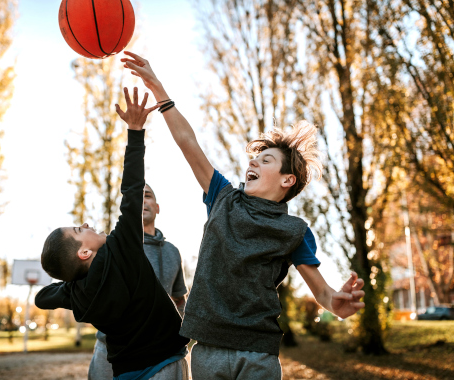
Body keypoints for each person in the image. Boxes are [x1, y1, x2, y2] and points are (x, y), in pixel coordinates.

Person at [121, 51, 366, 380]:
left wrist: (336, 303)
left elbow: (321, 292)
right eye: (255, 158)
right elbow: (187, 142)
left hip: (257, 353)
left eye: (266, 161)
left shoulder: (294, 230)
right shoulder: (223, 197)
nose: (253, 163)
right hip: (206, 348)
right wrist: (158, 88)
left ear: (286, 180)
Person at [35, 87, 190, 380]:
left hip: (124, 371)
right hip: (163, 363)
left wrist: (69, 285)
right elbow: (132, 187)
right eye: (81, 230)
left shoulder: (79, 294)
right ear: (84, 252)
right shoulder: (123, 249)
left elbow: (42, 298)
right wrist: (135, 130)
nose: (88, 225)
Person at [89, 183, 188, 379]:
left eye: (148, 195)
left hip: (160, 354)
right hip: (110, 351)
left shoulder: (172, 252)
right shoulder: (110, 247)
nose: (142, 200)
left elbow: (179, 299)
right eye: (136, 196)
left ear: (157, 207)